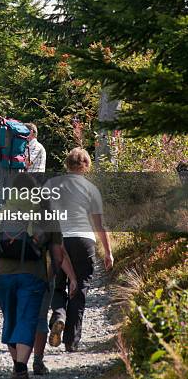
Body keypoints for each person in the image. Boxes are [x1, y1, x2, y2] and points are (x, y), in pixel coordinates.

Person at [0, 173, 64, 379]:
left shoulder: (3, 211)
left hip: (2, 277)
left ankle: (18, 370)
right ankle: (20, 371)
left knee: (10, 319)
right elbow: (58, 256)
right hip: (32, 276)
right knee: (27, 320)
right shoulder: (46, 215)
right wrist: (53, 276)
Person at [47, 148, 114, 353]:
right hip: (84, 240)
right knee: (81, 288)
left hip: (60, 239)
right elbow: (99, 225)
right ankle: (71, 341)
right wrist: (109, 252)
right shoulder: (91, 189)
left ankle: (59, 315)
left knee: (58, 285)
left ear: (67, 164)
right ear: (86, 165)